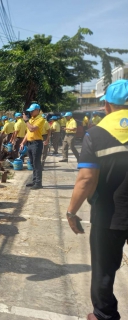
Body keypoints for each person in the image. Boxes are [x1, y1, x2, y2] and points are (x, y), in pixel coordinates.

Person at [65, 79, 128, 320]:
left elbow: (86, 180)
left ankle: (104, 315)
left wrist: (71, 212)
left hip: (108, 214)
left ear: (107, 106)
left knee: (104, 270)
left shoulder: (96, 135)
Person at [19, 103, 46, 189]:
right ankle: (34, 180)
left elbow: (32, 129)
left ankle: (38, 183)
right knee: (32, 163)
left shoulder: (41, 119)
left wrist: (26, 120)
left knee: (36, 163)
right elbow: (28, 132)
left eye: (32, 111)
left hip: (36, 143)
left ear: (37, 111)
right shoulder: (31, 119)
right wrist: (23, 142)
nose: (30, 112)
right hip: (30, 143)